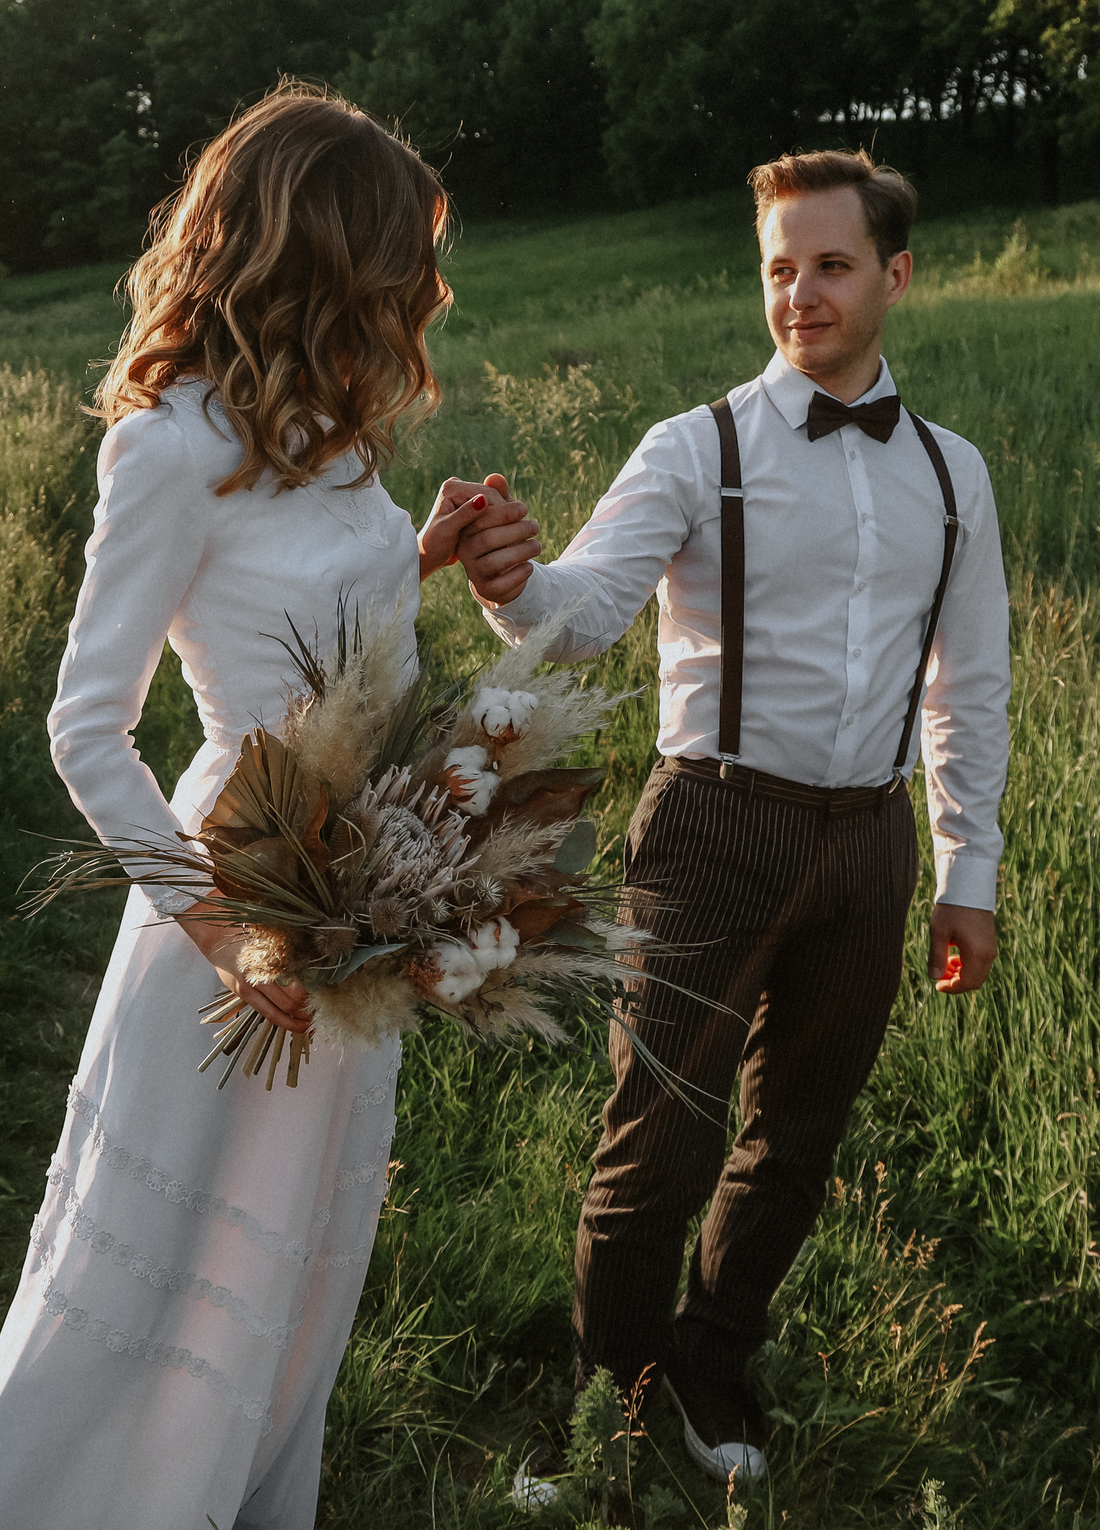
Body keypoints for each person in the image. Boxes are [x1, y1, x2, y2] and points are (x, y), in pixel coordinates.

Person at [0, 85, 507, 1530]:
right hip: (240, 897)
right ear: (321, 256)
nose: (421, 294)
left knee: (291, 1278)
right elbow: (87, 728)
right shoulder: (171, 445)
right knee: (164, 1279)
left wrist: (420, 558)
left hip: (356, 895)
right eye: (400, 261)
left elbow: (306, 621)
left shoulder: (334, 429)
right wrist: (225, 933)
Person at [445, 150, 1011, 1487]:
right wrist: (508, 582)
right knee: (660, 1134)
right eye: (778, 268)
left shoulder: (954, 474)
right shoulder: (695, 447)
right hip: (712, 828)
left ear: (894, 275)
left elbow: (968, 684)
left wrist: (965, 869)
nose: (800, 293)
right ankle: (606, 1401)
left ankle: (709, 1360)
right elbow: (581, 612)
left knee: (797, 1136)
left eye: (831, 265)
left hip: (868, 842)